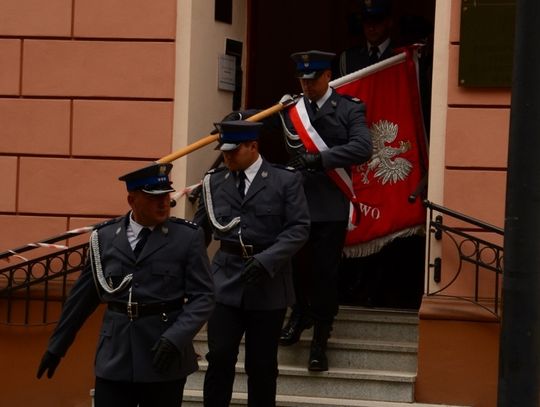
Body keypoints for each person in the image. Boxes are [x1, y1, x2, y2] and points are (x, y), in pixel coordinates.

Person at [36, 162, 215, 407]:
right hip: (115, 355)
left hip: (163, 354)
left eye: (166, 195)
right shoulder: (105, 238)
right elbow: (82, 298)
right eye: (154, 197)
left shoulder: (187, 237)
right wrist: (57, 346)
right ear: (132, 200)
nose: (164, 203)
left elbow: (203, 297)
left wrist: (175, 338)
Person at [194, 120, 310, 407]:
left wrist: (267, 260)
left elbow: (298, 229)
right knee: (219, 357)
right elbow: (199, 234)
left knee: (261, 364)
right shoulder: (214, 182)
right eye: (224, 152)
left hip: (268, 282)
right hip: (225, 280)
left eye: (234, 151)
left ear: (253, 147)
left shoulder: (285, 180)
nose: (227, 157)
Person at [278, 50, 373, 371]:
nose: (307, 85)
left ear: (327, 76)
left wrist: (321, 159)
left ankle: (320, 338)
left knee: (323, 273)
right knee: (291, 266)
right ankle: (299, 312)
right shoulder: (290, 109)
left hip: (331, 204)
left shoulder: (348, 109)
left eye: (313, 79)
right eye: (302, 80)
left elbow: (363, 147)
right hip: (297, 202)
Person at [335, 0, 395, 77]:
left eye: (377, 20)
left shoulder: (402, 54)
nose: (371, 28)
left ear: (389, 21)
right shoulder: (348, 59)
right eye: (366, 21)